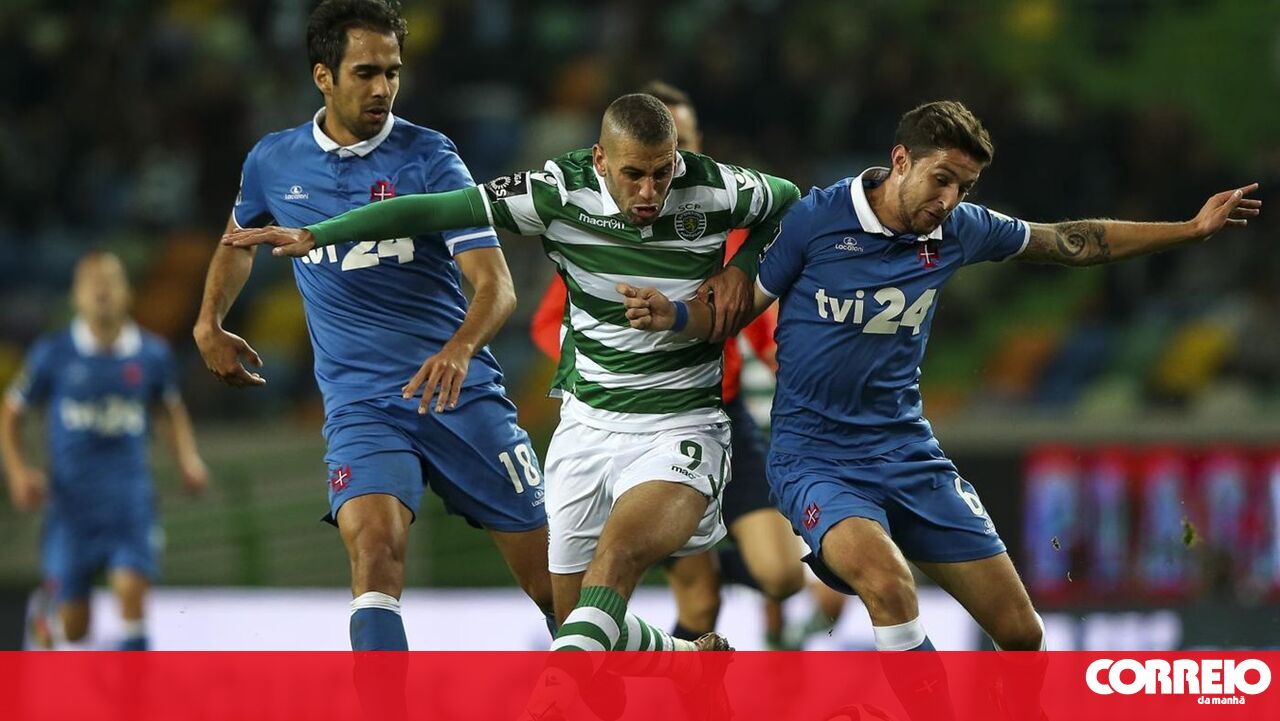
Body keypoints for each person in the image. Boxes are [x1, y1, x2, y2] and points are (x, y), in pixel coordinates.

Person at [617, 100, 1260, 717]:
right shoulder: (817, 220)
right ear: (901, 160)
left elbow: (1071, 241)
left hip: (909, 454)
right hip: (816, 460)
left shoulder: (959, 229)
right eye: (942, 179)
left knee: (1022, 634)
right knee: (887, 581)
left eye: (965, 187)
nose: (950, 199)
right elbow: (732, 311)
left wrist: (1189, 230)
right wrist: (673, 315)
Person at [221, 92, 800, 662]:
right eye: (633, 175)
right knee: (570, 612)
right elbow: (434, 211)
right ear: (601, 160)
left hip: (682, 422)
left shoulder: (717, 188)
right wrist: (322, 233)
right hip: (588, 426)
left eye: (661, 173)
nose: (649, 192)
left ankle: (553, 694)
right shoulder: (556, 191)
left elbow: (790, 202)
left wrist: (741, 268)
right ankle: (687, 659)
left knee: (618, 559)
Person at [193, 0, 553, 651]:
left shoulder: (430, 158)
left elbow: (496, 285)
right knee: (375, 555)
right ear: (323, 76)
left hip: (457, 392)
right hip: (362, 405)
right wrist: (208, 321)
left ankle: (639, 667)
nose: (383, 87)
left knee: (556, 586)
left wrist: (460, 349)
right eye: (365, 72)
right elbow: (236, 241)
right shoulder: (274, 161)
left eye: (392, 71)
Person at [528, 80, 804, 649]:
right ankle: (687, 661)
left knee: (782, 575)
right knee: (692, 598)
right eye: (640, 168)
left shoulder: (730, 228)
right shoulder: (600, 239)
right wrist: (616, 369)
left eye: (684, 146)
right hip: (628, 420)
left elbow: (766, 333)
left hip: (720, 414)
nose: (660, 178)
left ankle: (713, 566)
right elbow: (551, 322)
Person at [2, 251, 208, 651]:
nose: (101, 289)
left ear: (128, 292)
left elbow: (170, 408)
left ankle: (132, 683)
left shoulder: (151, 354)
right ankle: (52, 617)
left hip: (129, 500)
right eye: (91, 281)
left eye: (110, 280)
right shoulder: (53, 353)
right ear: (75, 296)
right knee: (74, 628)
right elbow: (11, 412)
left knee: (131, 590)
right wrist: (17, 472)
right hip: (70, 506)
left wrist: (187, 457)